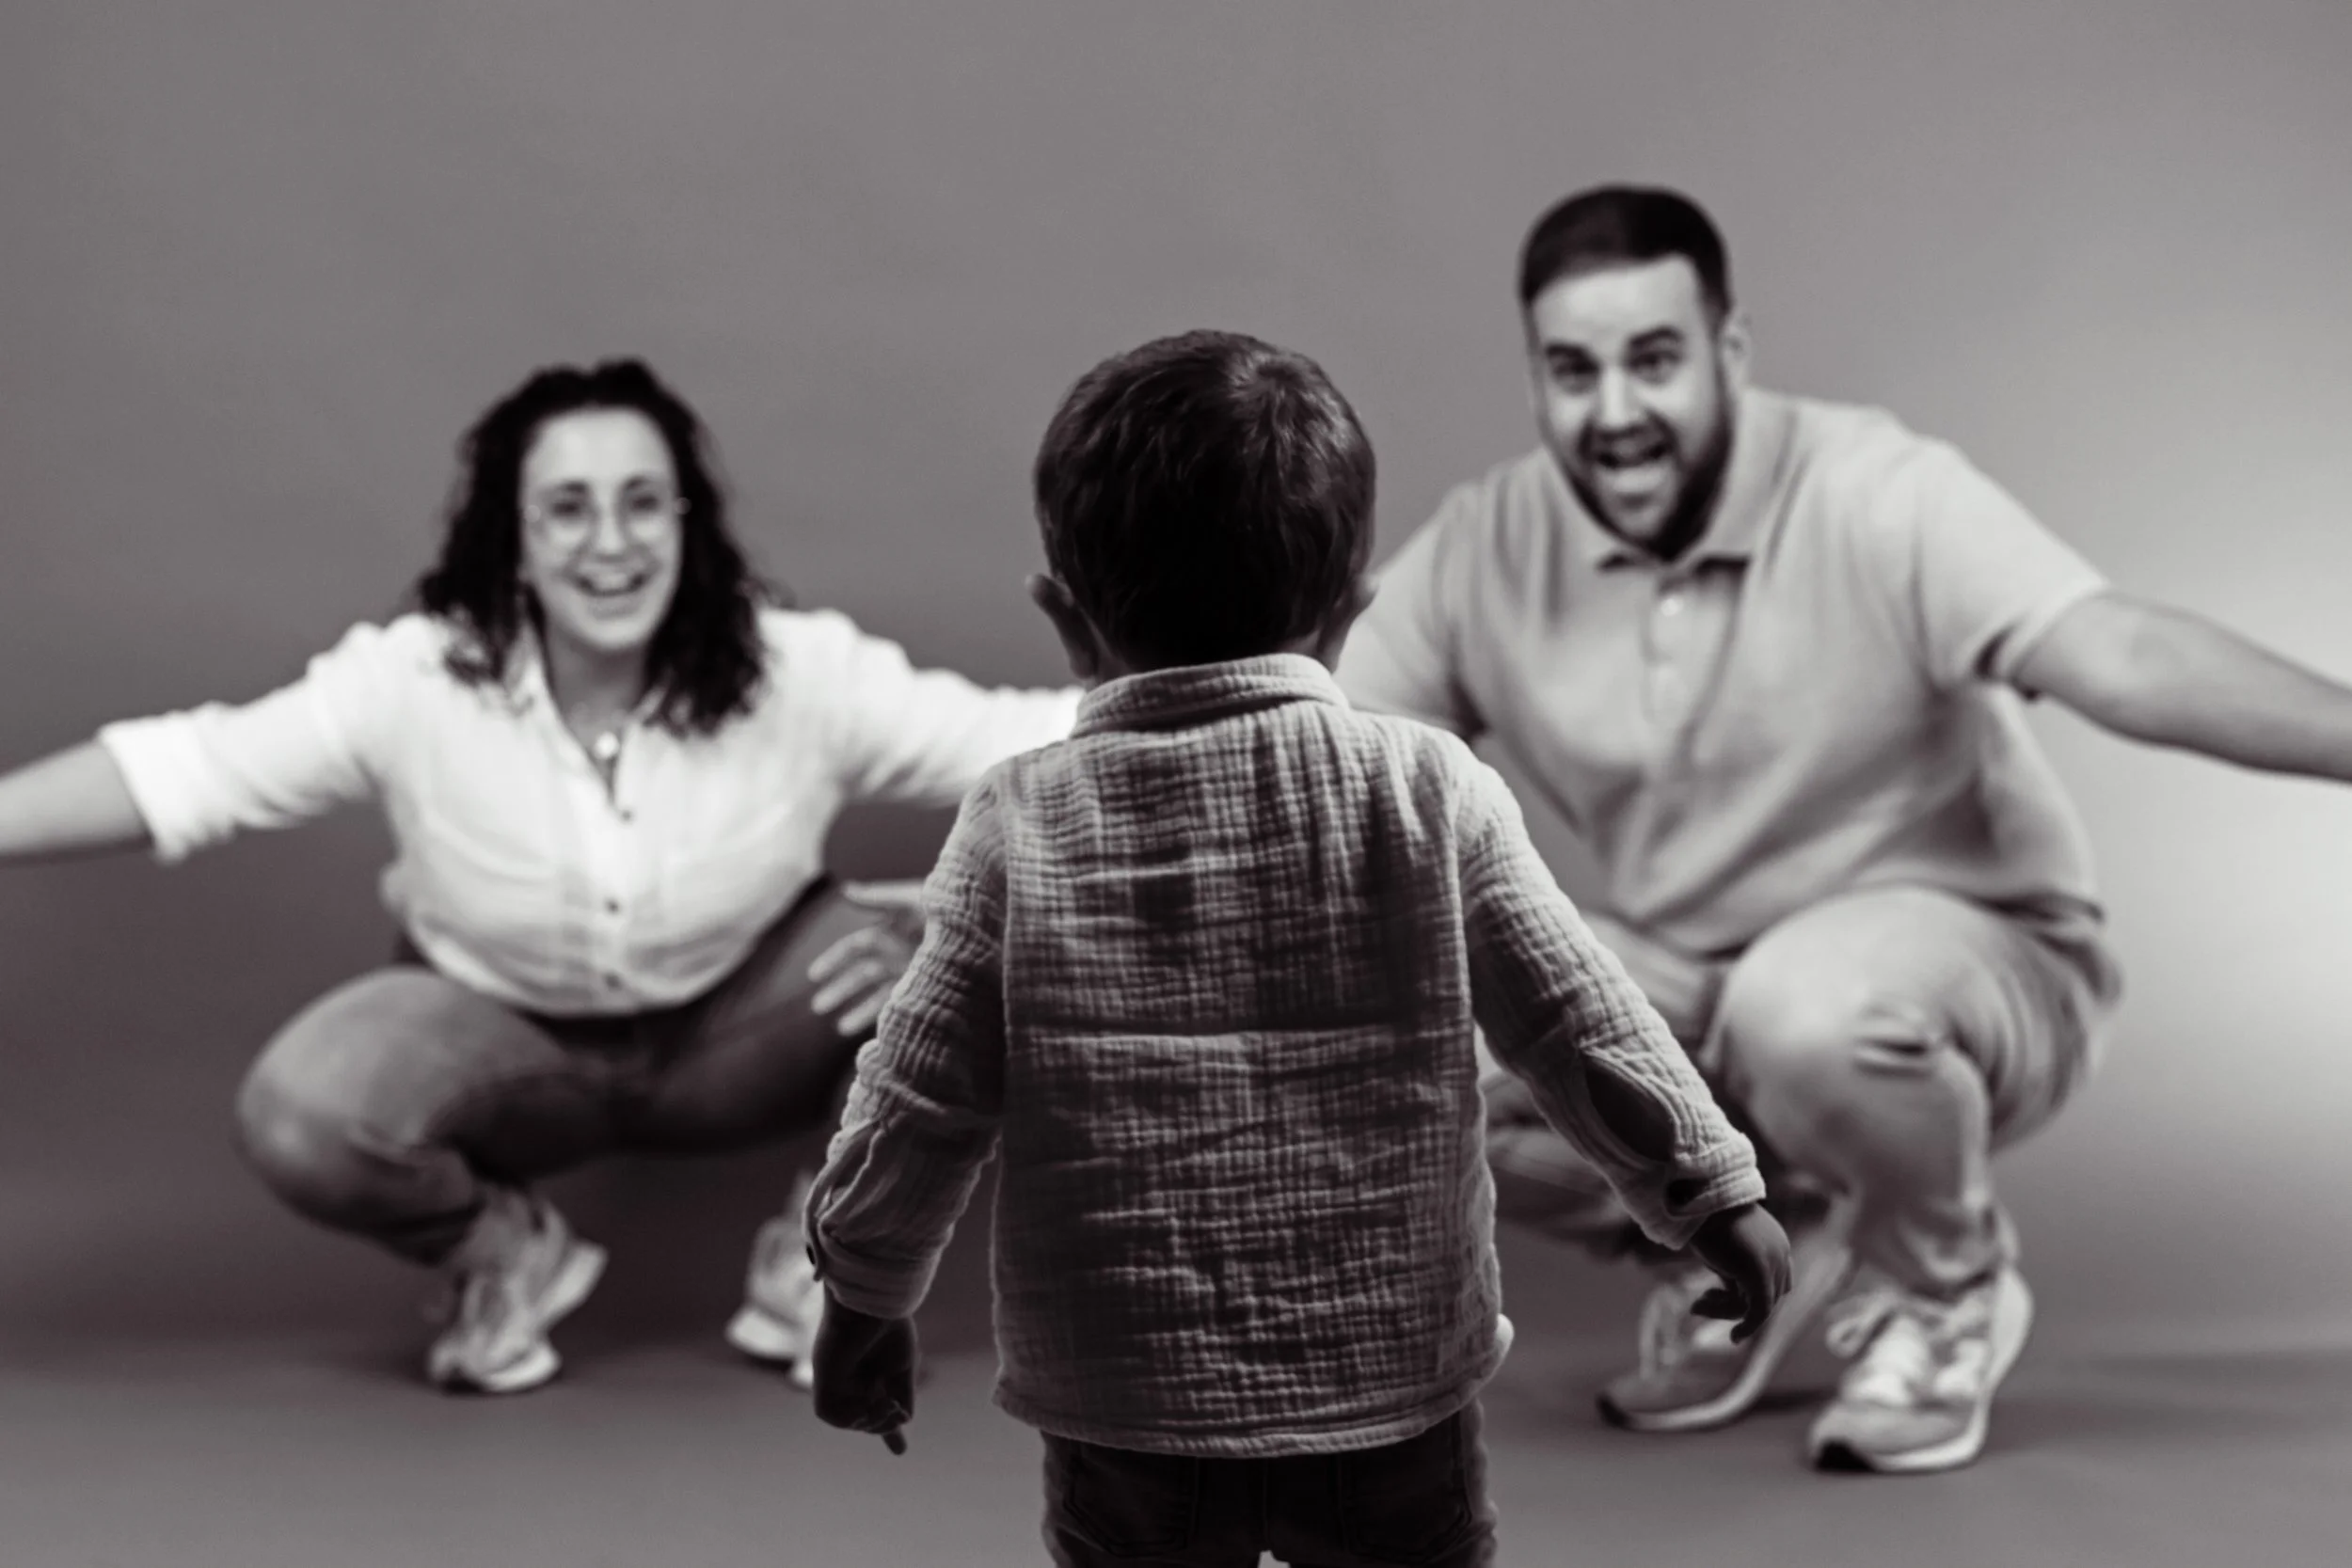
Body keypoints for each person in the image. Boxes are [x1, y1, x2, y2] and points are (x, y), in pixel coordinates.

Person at [1336, 182, 2352, 1474]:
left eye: (1654, 361)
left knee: (1804, 1005)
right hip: (1698, 974)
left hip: (1971, 966)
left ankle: (1947, 1290)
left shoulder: (1879, 489)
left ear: (1730, 354)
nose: (1615, 414)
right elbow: (1315, 729)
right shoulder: (1493, 541)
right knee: (1435, 1031)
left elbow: (2127, 654)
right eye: (1572, 371)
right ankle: (1758, 1239)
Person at [799, 328, 1791, 1567]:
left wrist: (861, 1298)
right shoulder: (1432, 788)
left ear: (1065, 619)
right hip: (1394, 1384)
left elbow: (919, 1101)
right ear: (1352, 609)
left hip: (1129, 1407)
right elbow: (1581, 1019)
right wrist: (1707, 1190)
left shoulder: (1018, 822)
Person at [0, 356, 1078, 1395]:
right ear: (512, 539)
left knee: (967, 965)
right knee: (302, 1106)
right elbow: (187, 769)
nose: (610, 542)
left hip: (742, 1036)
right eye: (567, 507)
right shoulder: (413, 677)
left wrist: (955, 907)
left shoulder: (795, 669)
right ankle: (508, 1256)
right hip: (506, 1052)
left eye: (642, 502)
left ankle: (829, 1264)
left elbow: (1039, 738)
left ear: (684, 525)